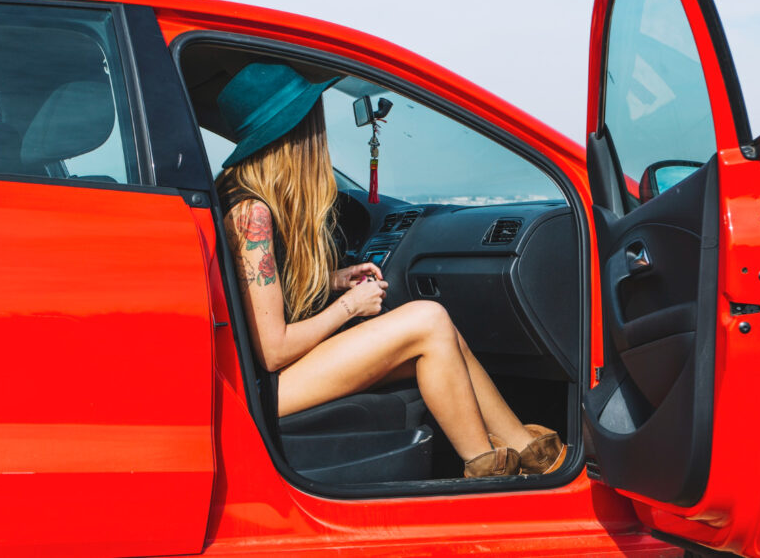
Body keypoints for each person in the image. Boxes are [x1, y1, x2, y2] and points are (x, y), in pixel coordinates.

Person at [214, 62, 566, 478]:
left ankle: (530, 453)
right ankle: (487, 474)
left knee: (442, 339)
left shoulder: (238, 194)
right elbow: (273, 351)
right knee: (428, 319)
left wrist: (333, 280)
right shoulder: (251, 212)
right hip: (259, 389)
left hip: (263, 380)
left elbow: (251, 292)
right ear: (298, 135)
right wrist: (350, 305)